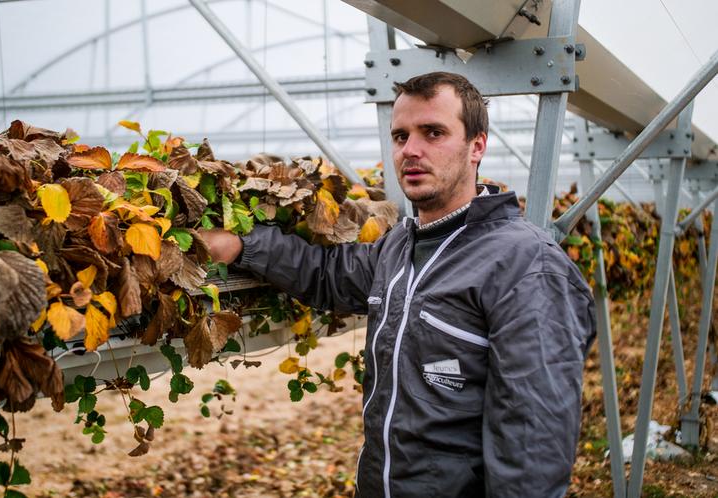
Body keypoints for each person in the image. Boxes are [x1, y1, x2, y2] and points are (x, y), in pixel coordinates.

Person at [200, 72, 596, 498]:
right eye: (401, 135)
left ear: (477, 146)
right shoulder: (399, 247)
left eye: (433, 132)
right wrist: (241, 244)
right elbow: (326, 273)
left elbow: (532, 445)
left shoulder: (525, 266)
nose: (412, 150)